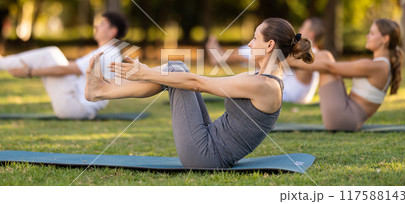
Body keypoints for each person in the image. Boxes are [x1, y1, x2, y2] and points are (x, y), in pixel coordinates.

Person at [84, 18, 314, 168]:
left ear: (270, 45)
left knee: (177, 71)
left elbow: (197, 83)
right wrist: (147, 73)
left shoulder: (265, 85)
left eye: (255, 38)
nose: (250, 43)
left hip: (205, 156)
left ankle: (102, 90)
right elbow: (197, 80)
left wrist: (144, 73)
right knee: (177, 69)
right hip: (209, 139)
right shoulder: (261, 77)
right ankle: (102, 90)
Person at [0, 12, 128, 119]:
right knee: (51, 56)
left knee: (51, 54)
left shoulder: (107, 53)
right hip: (77, 105)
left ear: (112, 31)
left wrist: (30, 72)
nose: (96, 26)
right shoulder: (109, 52)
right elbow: (70, 65)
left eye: (102, 24)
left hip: (75, 107)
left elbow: (65, 69)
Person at [288, 19, 403, 131]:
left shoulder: (378, 66)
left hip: (343, 118)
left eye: (372, 34)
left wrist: (289, 62)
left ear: (385, 39)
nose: (367, 36)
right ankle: (287, 56)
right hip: (347, 116)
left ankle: (285, 58)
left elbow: (330, 67)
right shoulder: (381, 65)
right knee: (325, 56)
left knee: (326, 59)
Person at [206, 17, 325, 104]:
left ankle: (221, 56)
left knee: (264, 51)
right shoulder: (308, 51)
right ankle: (221, 56)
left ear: (311, 33)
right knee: (263, 50)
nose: (300, 29)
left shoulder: (310, 52)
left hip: (292, 95)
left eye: (304, 27)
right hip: (292, 91)